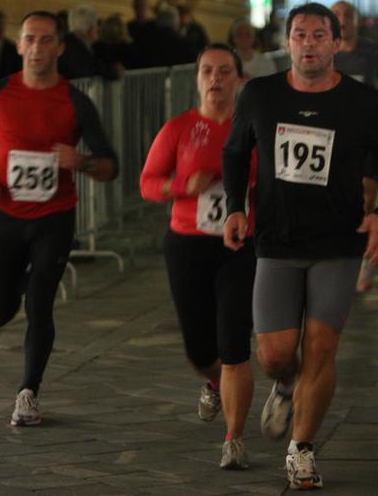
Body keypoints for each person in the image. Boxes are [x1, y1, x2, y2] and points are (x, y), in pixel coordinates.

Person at [221, 2, 378, 490]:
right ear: (286, 42)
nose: (309, 44)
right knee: (274, 354)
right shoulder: (260, 95)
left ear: (336, 43)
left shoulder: (362, 102)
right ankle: (286, 385)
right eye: (300, 35)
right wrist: (235, 207)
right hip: (277, 240)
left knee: (322, 348)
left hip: (338, 242)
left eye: (319, 35)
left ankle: (302, 449)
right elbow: (235, 152)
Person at [0, 11, 118, 427]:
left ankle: (28, 393)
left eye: (46, 40)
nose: (37, 47)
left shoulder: (75, 102)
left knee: (39, 304)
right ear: (19, 45)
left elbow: (110, 166)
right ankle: (20, 279)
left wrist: (82, 161)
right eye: (30, 38)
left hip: (54, 218)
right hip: (7, 217)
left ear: (60, 48)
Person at [140, 44, 257, 469]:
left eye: (224, 71)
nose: (215, 79)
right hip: (188, 244)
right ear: (197, 79)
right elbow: (148, 183)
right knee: (199, 347)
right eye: (207, 71)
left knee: (234, 342)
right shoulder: (179, 128)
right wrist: (182, 186)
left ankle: (234, 437)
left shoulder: (254, 130)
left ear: (239, 79)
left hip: (240, 246)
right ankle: (213, 381)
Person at [331, 0, 378, 292]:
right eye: (337, 15)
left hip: (369, 133)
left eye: (348, 14)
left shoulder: (373, 51)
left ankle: (363, 261)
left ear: (357, 20)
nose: (343, 19)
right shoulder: (326, 52)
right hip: (335, 137)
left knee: (367, 194)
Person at [58, 5, 120, 81]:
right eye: (96, 26)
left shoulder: (69, 42)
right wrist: (114, 72)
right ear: (91, 29)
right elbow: (93, 67)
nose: (97, 29)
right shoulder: (78, 48)